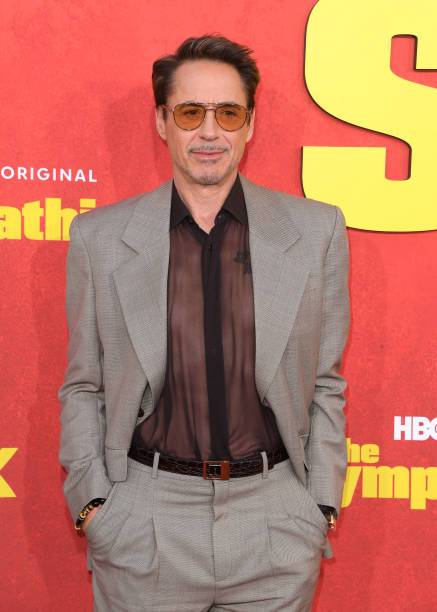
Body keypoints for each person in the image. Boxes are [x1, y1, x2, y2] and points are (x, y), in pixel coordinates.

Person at [58, 33, 350, 612]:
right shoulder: (101, 238)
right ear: (161, 121)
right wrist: (95, 505)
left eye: (228, 113)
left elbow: (325, 383)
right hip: (144, 523)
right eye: (190, 113)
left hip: (274, 523)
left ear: (250, 124)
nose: (209, 132)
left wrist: (318, 504)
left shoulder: (316, 232)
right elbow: (84, 385)